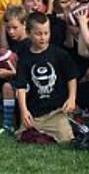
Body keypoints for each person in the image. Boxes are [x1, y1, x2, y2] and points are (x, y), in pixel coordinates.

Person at [13, 12, 77, 144]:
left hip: (56, 112)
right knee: (23, 136)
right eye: (38, 34)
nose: (43, 37)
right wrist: (24, 111)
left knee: (66, 138)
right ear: (28, 33)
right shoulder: (24, 59)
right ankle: (40, 134)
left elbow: (72, 76)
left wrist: (71, 99)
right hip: (34, 113)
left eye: (46, 33)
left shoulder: (59, 54)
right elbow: (21, 87)